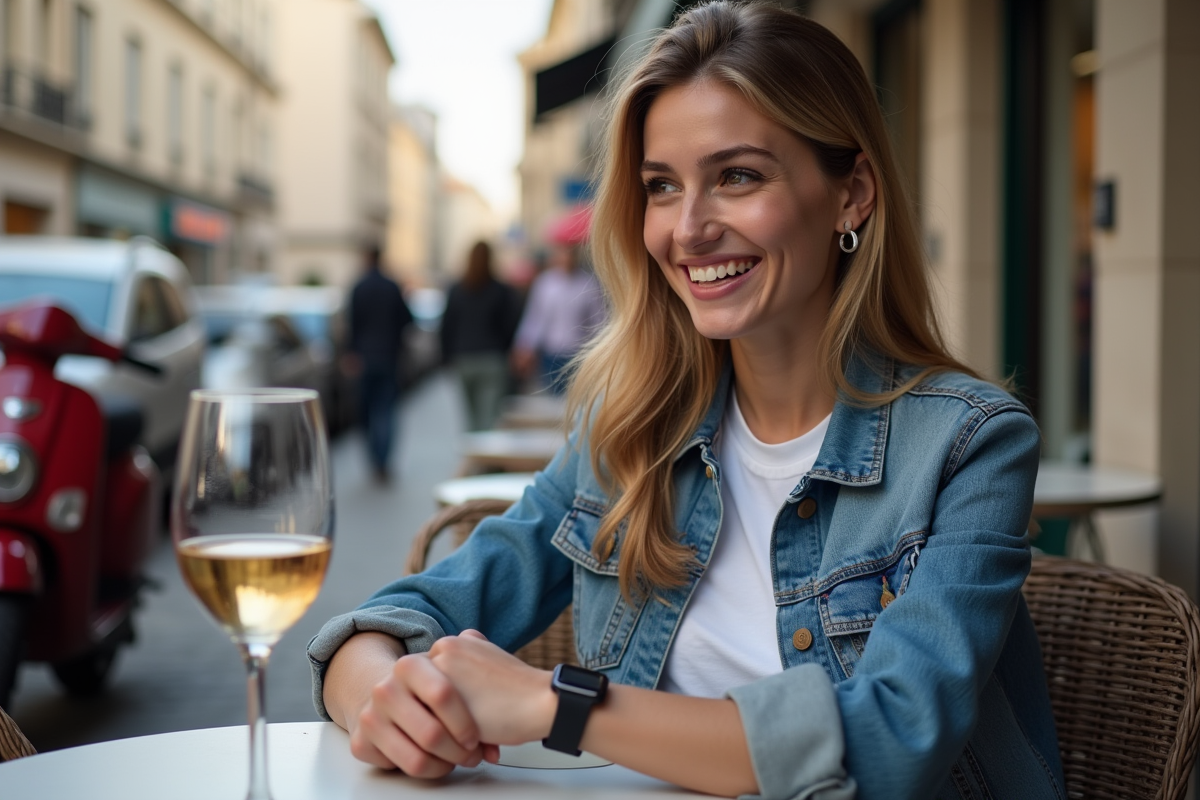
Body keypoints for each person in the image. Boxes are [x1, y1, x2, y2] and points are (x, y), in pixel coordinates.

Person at [309, 4, 1063, 799]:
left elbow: (890, 739)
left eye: (737, 176)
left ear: (852, 195)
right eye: (661, 187)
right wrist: (377, 692)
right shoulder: (630, 431)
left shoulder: (969, 445)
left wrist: (555, 706)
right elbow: (403, 615)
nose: (688, 229)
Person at [346, 246, 412, 482]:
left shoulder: (359, 287)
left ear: (366, 258)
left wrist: (350, 353)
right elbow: (407, 320)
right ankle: (383, 461)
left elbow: (350, 324)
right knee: (386, 411)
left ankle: (374, 460)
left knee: (366, 412)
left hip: (365, 358)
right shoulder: (391, 286)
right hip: (389, 357)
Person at [439, 241, 521, 431]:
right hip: (492, 359)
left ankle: (476, 456)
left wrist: (445, 357)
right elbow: (511, 326)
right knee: (490, 417)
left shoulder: (457, 290)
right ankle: (487, 458)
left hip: (464, 358)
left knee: (471, 418)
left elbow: (447, 326)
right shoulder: (501, 291)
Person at [510, 243, 606, 394]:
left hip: (578, 352)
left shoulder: (587, 284)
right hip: (551, 352)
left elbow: (598, 321)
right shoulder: (545, 283)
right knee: (553, 397)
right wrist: (525, 345)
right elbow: (535, 318)